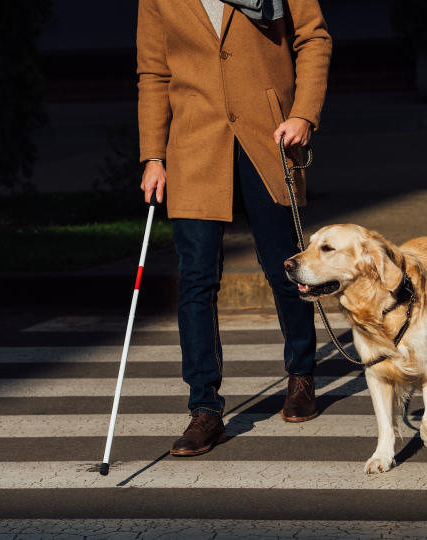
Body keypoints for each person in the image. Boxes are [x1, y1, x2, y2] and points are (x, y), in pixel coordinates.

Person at [136, 0, 332, 456]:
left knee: (286, 268)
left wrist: (303, 113)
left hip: (268, 135)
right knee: (197, 281)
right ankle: (204, 409)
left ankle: (301, 374)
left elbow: (313, 37)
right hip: (193, 145)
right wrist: (153, 155)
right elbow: (153, 73)